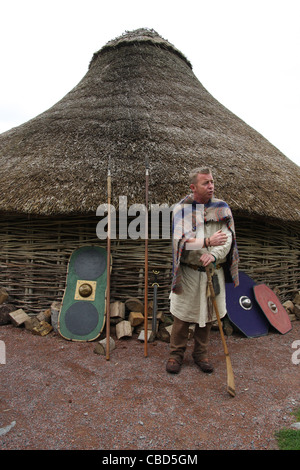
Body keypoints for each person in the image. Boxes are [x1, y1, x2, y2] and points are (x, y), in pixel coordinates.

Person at [166, 167, 239, 374]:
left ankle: (201, 354)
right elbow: (180, 241)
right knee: (181, 316)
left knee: (207, 315)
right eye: (206, 183)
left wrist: (214, 254)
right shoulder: (181, 209)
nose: (211, 186)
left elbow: (227, 238)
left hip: (212, 271)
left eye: (212, 182)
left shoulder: (222, 208)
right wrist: (207, 241)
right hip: (188, 272)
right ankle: (176, 354)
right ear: (193, 187)